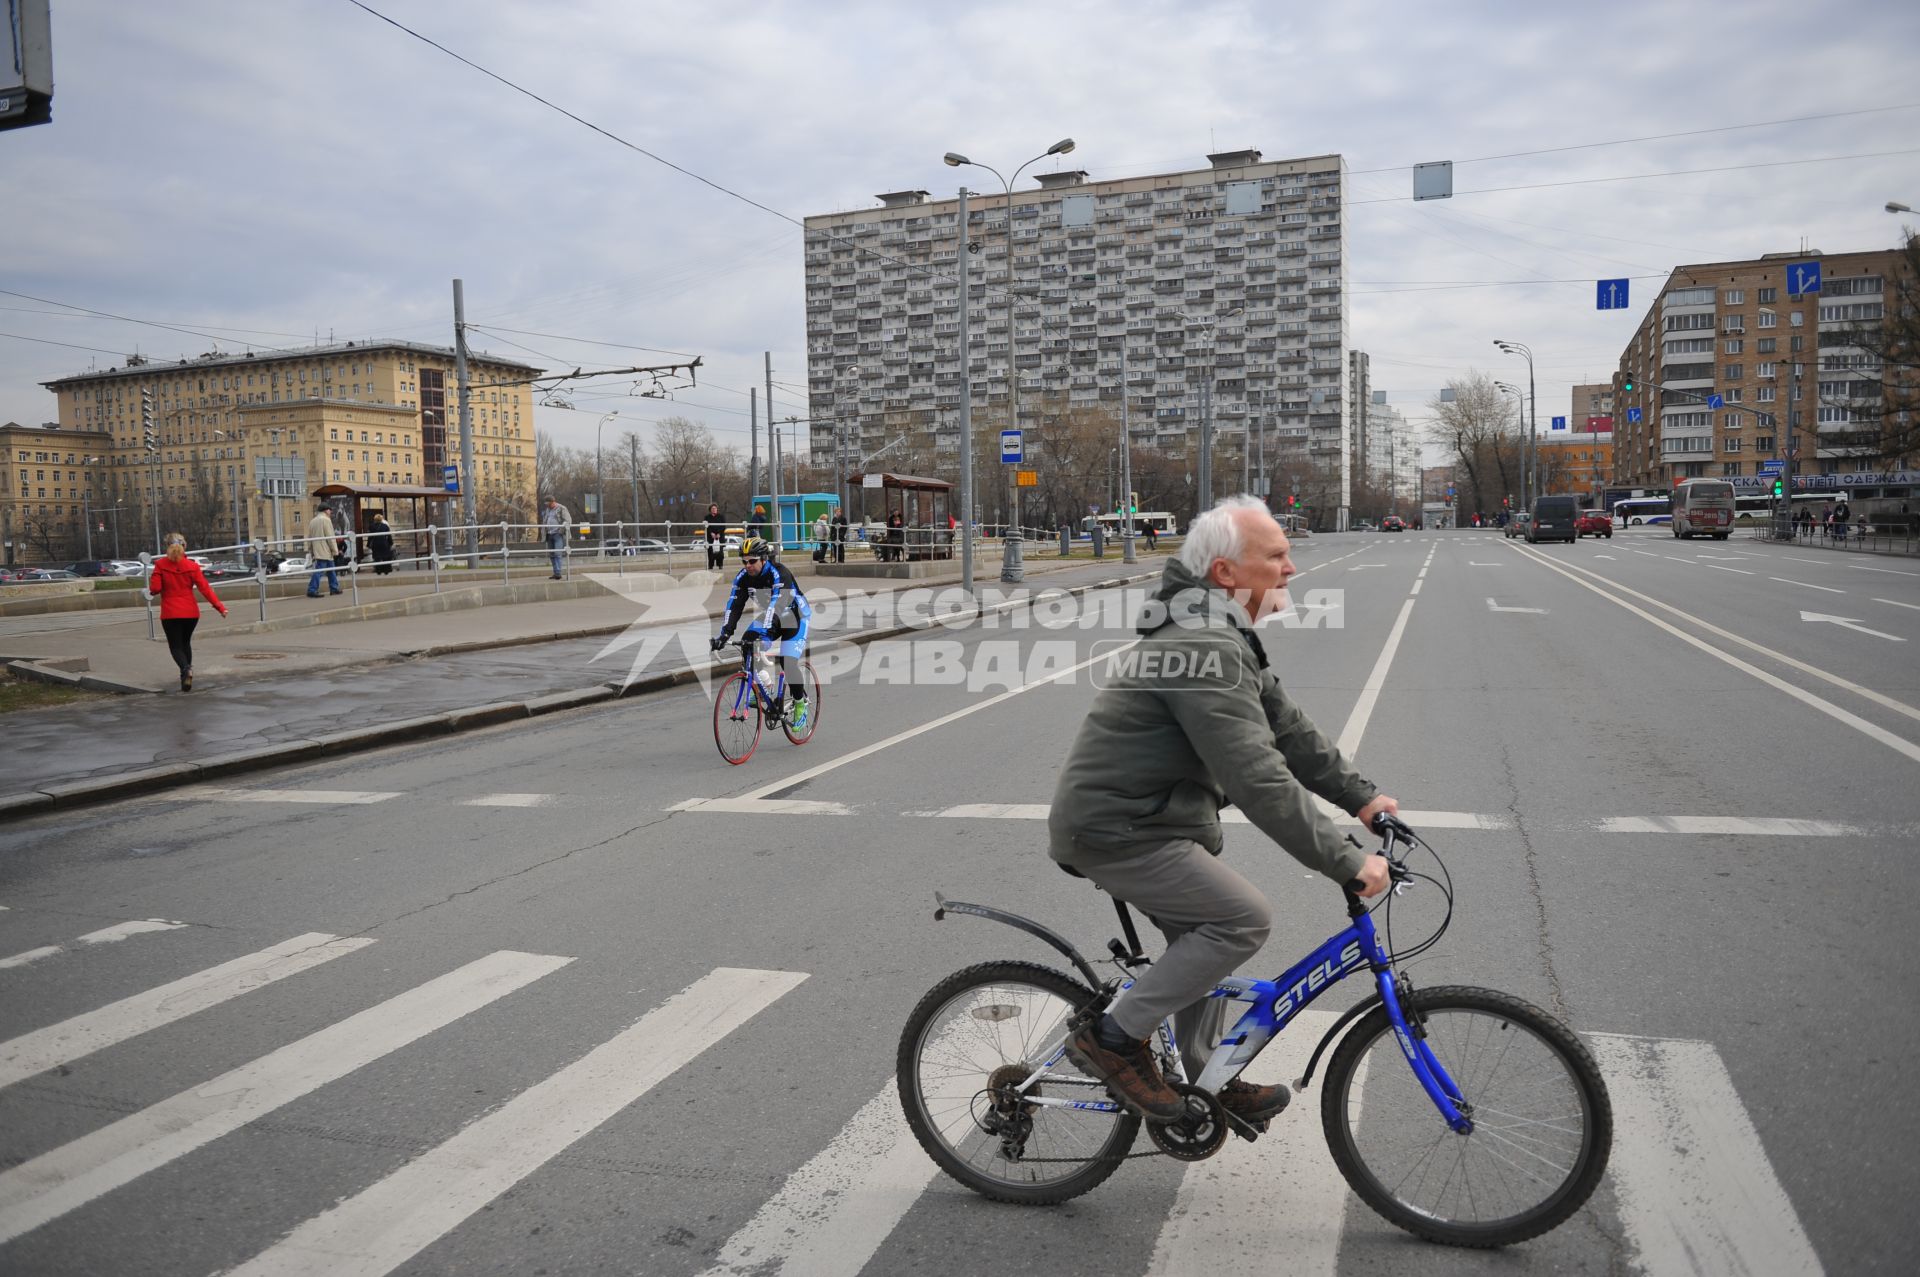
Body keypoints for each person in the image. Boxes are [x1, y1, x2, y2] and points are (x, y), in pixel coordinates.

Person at [1048, 495, 1397, 1122]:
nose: (1291, 566)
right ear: (1226, 574)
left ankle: (1206, 1076)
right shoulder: (1202, 642)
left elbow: (1289, 732)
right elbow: (1256, 774)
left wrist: (1364, 799)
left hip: (1155, 824)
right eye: (1277, 554)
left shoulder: (1221, 634)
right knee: (1240, 919)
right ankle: (1110, 1042)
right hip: (1119, 831)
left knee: (1202, 942)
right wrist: (1346, 861)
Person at [710, 538, 811, 725]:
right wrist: (724, 634)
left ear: (764, 559)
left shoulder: (779, 574)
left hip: (794, 617)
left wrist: (765, 636)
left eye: (752, 561)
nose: (747, 565)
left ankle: (800, 704)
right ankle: (764, 683)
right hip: (772, 616)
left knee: (788, 663)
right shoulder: (742, 578)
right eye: (744, 561)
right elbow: (734, 606)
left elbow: (778, 605)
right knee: (747, 642)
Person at [148, 533, 228, 691]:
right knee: (185, 643)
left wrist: (153, 586)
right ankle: (186, 676)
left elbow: (155, 589)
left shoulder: (160, 565)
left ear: (167, 547)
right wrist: (220, 607)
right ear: (184, 547)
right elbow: (205, 588)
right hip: (191, 613)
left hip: (171, 613)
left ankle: (186, 670)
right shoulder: (192, 566)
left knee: (175, 646)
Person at [306, 504, 341, 597]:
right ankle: (312, 589)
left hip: (317, 549)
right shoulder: (326, 520)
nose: (331, 512)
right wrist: (335, 550)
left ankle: (334, 588)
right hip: (325, 549)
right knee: (320, 570)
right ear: (325, 511)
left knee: (331, 569)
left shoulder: (313, 521)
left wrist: (311, 550)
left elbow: (309, 537)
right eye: (330, 510)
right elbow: (330, 537)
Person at [541, 496, 572, 579]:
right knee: (552, 555)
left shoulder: (562, 508)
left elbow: (568, 520)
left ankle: (558, 573)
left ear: (553, 502)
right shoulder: (548, 510)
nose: (547, 505)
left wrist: (561, 530)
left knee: (557, 554)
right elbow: (545, 521)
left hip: (558, 534)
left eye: (548, 504)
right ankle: (556, 572)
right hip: (549, 534)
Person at [366, 511, 396, 576]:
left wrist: (368, 544)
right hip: (384, 543)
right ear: (381, 519)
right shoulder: (385, 526)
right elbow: (389, 536)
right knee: (385, 557)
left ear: (375, 519)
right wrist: (391, 543)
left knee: (377, 558)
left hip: (376, 544)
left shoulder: (371, 526)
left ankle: (378, 570)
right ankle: (386, 570)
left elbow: (370, 537)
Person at [703, 503, 727, 571]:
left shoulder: (721, 516)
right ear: (710, 510)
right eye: (713, 509)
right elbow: (706, 527)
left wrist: (719, 533)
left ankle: (720, 565)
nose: (714, 510)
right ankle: (711, 565)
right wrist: (711, 533)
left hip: (720, 536)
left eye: (715, 508)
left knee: (720, 552)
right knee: (710, 552)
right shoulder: (707, 517)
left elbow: (723, 526)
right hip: (710, 537)